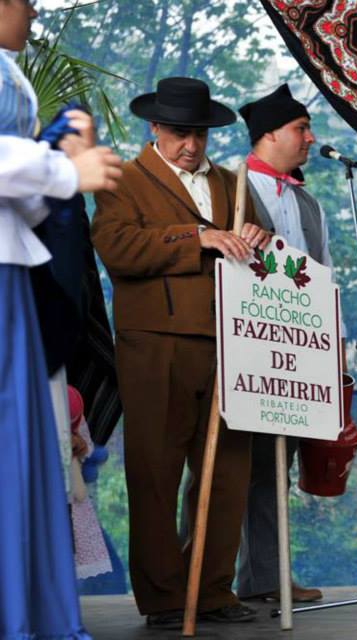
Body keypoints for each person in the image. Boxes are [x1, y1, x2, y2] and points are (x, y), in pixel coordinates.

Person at [91, 76, 270, 628]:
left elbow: (255, 236)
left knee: (227, 472)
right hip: (156, 347)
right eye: (177, 133)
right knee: (155, 472)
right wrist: (197, 237)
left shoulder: (233, 181)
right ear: (155, 129)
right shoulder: (123, 179)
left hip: (229, 345)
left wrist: (258, 237)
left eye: (197, 134)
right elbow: (117, 247)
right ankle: (165, 599)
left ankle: (211, 591)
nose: (189, 145)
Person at [0, 0, 122, 636]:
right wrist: (58, 167)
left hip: (12, 273)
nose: (31, 15)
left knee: (21, 445)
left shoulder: (7, 70)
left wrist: (60, 166)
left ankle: (24, 610)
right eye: (25, 2)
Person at [235, 83, 328, 604]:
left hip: (295, 351)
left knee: (277, 466)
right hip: (242, 347)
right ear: (268, 134)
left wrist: (328, 352)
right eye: (301, 128)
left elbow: (323, 276)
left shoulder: (308, 201)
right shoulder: (230, 186)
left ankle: (265, 579)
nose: (310, 139)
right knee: (225, 468)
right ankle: (190, 584)